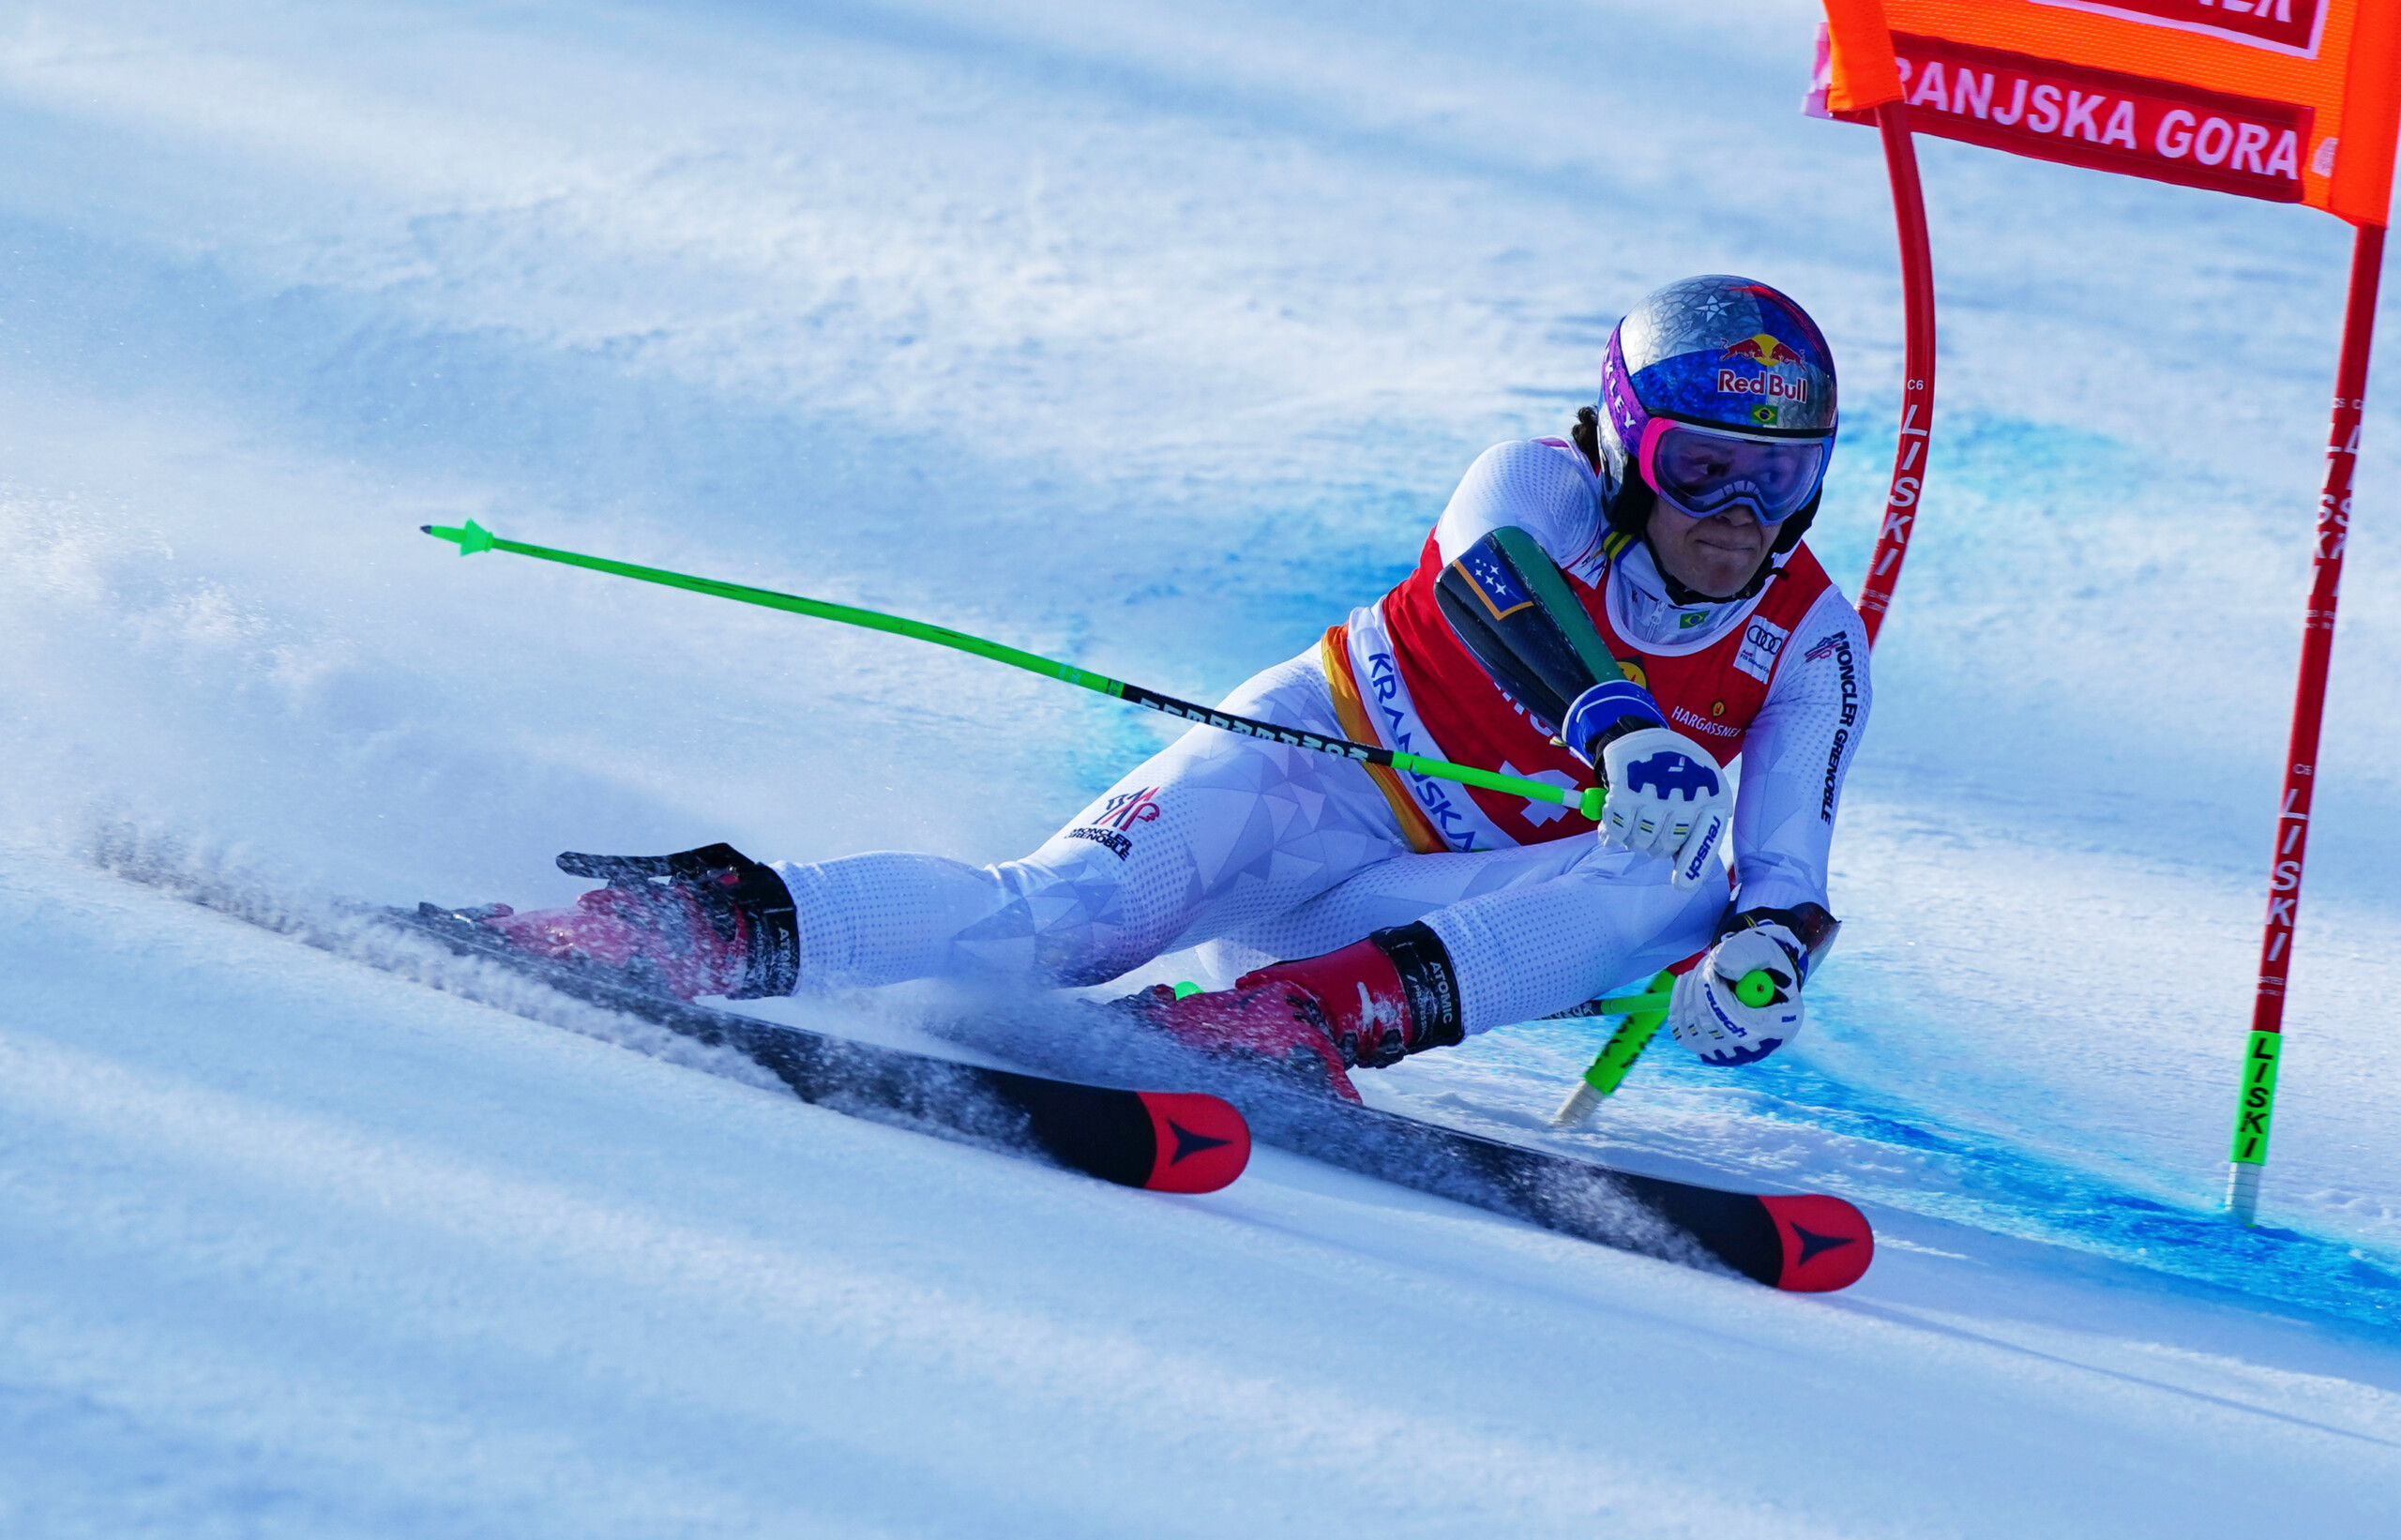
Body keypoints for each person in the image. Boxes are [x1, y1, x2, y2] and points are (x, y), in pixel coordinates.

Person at [484, 276, 1872, 1098]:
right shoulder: (1540, 485)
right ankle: (689, 926)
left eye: (1780, 479)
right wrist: (1621, 724)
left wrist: (1761, 968)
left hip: (1407, 921)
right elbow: (1486, 584)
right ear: (1631, 447)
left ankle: (1295, 1024)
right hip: (1309, 774)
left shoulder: (1810, 641)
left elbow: (1785, 873)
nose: (1739, 514)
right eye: (1702, 467)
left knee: (1689, 877)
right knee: (1063, 927)